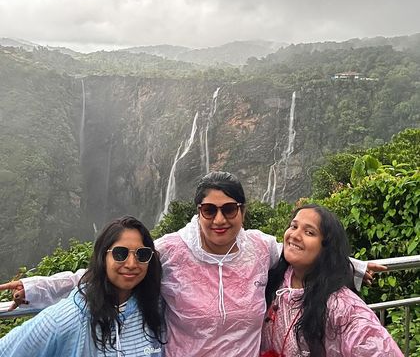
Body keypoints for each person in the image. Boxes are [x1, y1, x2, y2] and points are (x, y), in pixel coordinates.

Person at [0, 172, 381, 357]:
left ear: (242, 211)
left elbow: (302, 251)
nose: (220, 219)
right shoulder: (171, 250)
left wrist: (356, 267)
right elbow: (109, 270)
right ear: (198, 211)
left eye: (229, 209)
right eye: (209, 210)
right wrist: (36, 288)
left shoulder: (260, 248)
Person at [0, 216, 165, 356]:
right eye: (120, 253)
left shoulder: (155, 306)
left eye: (141, 254)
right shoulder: (68, 319)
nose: (131, 264)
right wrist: (34, 288)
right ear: (102, 257)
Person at [260, 204, 403, 357]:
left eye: (309, 232)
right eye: (293, 226)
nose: (294, 235)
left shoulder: (342, 307)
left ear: (326, 247)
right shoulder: (272, 278)